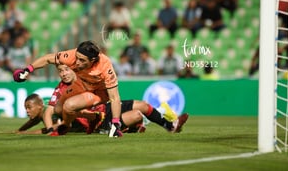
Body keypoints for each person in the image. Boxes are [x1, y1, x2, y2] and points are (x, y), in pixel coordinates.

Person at [17, 64, 188, 135]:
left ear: (73, 69)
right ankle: (132, 127)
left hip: (105, 107)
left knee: (143, 105)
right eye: (60, 72)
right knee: (136, 114)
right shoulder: (61, 89)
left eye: (66, 70)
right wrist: (48, 130)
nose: (63, 73)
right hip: (98, 121)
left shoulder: (85, 75)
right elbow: (48, 111)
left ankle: (170, 126)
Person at [13, 40, 123, 138]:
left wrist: (116, 123)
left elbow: (115, 98)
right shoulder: (71, 56)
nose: (77, 62)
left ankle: (65, 125)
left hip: (99, 92)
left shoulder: (105, 67)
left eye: (82, 60)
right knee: (58, 109)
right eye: (77, 58)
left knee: (69, 106)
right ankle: (94, 117)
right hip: (81, 84)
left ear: (92, 60)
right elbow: (47, 59)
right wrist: (27, 70)